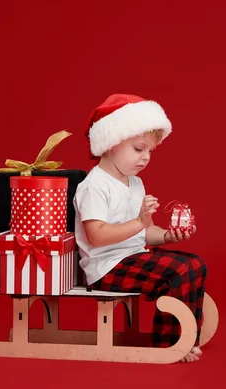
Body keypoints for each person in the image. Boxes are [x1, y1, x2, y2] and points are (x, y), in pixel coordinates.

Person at [73, 93, 207, 363]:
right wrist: (138, 222)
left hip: (132, 258)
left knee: (195, 263)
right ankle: (169, 343)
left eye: (150, 151)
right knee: (180, 269)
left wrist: (168, 236)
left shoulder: (134, 183)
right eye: (138, 149)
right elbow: (96, 236)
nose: (145, 158)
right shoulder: (94, 186)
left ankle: (185, 336)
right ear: (111, 143)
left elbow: (146, 233)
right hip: (106, 267)